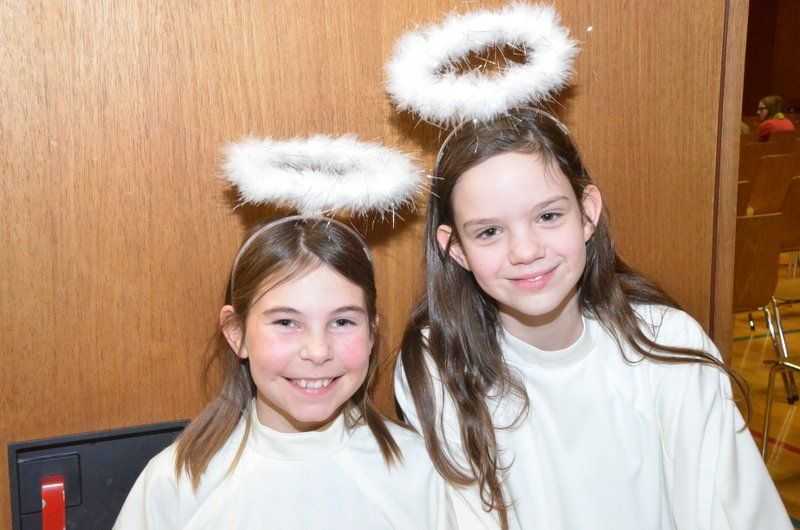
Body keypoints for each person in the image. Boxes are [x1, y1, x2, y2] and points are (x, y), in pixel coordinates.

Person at [394, 107, 792, 529]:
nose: (525, 251)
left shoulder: (668, 343)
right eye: (489, 232)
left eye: (548, 216)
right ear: (456, 248)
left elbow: (732, 511)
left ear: (587, 213)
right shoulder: (440, 363)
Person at [115, 217, 454, 529]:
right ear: (237, 334)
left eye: (342, 321)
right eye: (286, 322)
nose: (317, 351)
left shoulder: (418, 472)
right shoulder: (177, 482)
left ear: (371, 333)